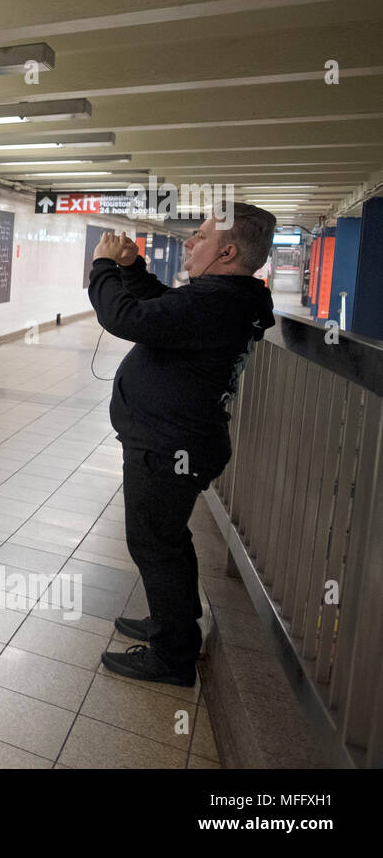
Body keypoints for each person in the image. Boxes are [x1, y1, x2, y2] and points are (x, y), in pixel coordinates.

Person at [88, 203, 276, 686]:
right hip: (177, 442)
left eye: (201, 237)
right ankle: (172, 624)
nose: (190, 243)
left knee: (155, 545)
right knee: (167, 542)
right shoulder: (225, 297)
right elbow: (160, 314)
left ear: (228, 251)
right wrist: (133, 269)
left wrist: (104, 268)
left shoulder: (216, 301)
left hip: (169, 446)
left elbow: (128, 319)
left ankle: (172, 657)